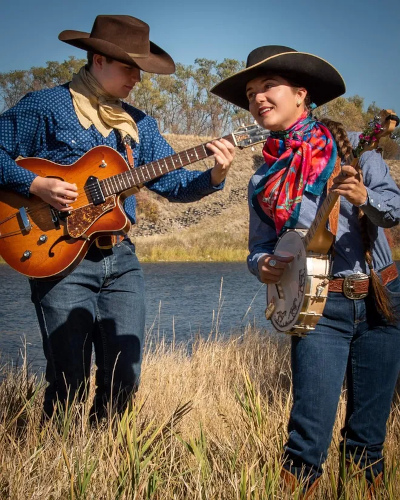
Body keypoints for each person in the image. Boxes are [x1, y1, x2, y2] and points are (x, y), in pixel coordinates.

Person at [0, 15, 235, 421]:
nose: (138, 80)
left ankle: (107, 454)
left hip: (122, 260)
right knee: (68, 378)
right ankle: (63, 466)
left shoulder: (139, 125)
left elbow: (174, 184)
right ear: (97, 60)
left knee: (125, 374)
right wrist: (36, 184)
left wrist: (216, 173)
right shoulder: (46, 106)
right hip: (58, 257)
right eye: (130, 68)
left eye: (140, 70)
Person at [211, 45, 400, 496]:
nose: (257, 99)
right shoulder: (263, 178)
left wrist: (362, 199)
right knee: (306, 442)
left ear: (301, 94)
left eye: (267, 87)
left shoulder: (355, 147)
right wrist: (266, 265)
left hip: (382, 301)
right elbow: (257, 249)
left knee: (368, 442)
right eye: (251, 93)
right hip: (318, 309)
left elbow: (393, 211)